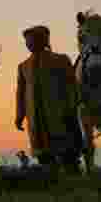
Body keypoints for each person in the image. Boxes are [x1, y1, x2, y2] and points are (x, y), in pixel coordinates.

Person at [15, 25, 82, 175]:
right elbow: (20, 93)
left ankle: (72, 174)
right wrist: (20, 115)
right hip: (36, 118)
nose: (28, 44)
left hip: (60, 114)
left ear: (44, 40)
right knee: (43, 154)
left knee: (68, 151)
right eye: (27, 41)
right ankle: (50, 176)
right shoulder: (23, 66)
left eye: (31, 40)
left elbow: (72, 85)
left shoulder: (61, 60)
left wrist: (72, 106)